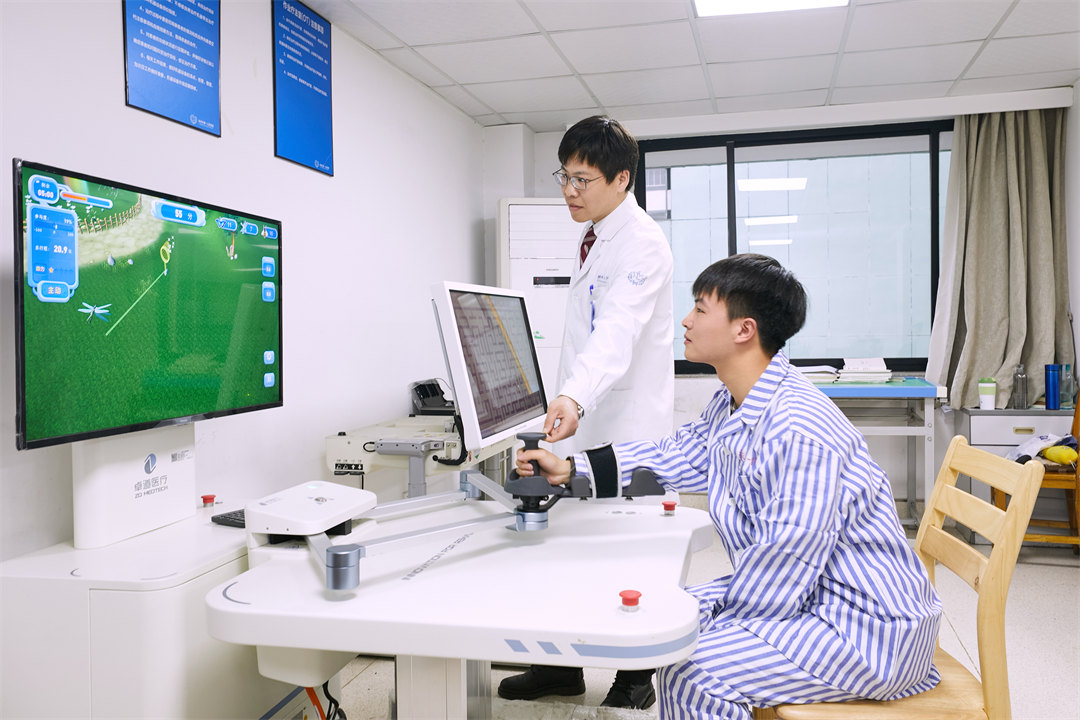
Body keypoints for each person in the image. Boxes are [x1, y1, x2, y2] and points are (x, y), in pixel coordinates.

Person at [514, 254, 943, 720]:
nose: (686, 320)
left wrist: (709, 630)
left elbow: (784, 565)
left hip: (866, 628)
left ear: (744, 330)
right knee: (658, 616)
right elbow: (677, 454)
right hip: (812, 594)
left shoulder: (798, 429)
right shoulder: (735, 400)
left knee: (691, 667)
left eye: (700, 309)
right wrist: (569, 468)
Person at [496, 115, 674, 710]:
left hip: (624, 422)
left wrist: (574, 396)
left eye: (583, 180)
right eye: (565, 177)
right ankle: (561, 668)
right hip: (587, 413)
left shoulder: (641, 243)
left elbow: (616, 334)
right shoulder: (596, 233)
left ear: (622, 179)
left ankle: (635, 677)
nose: (570, 191)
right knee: (571, 543)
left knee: (629, 549)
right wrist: (570, 394)